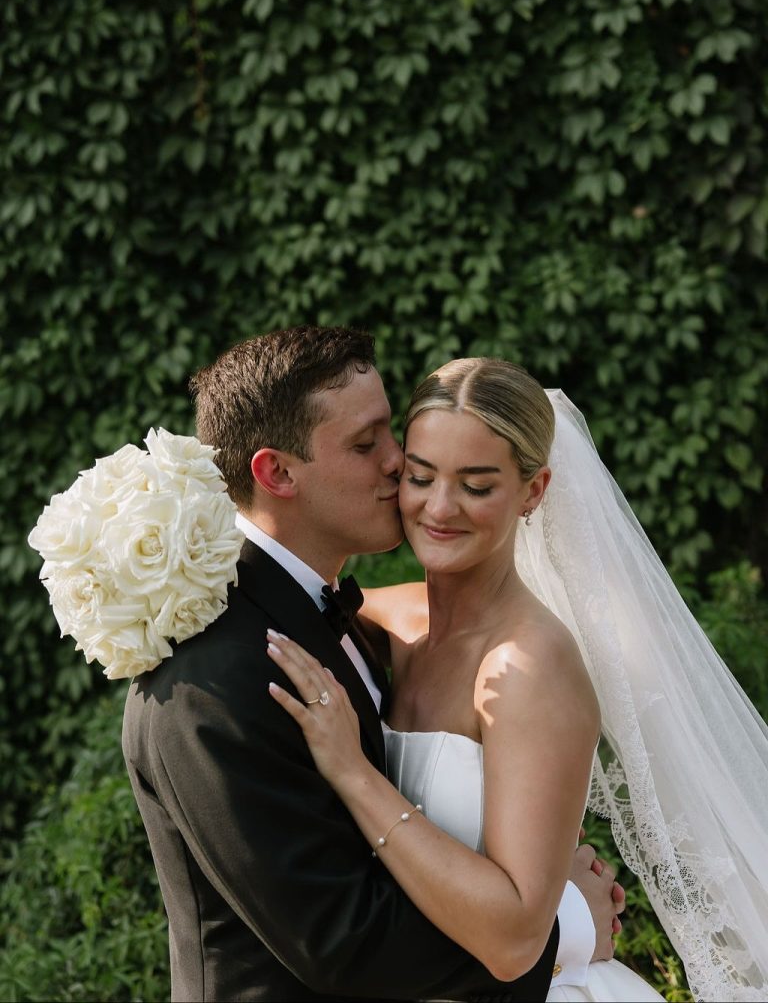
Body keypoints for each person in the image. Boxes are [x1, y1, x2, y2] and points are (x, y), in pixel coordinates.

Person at [122, 329, 620, 1002]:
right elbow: (342, 940)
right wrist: (564, 927)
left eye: (393, 436)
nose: (397, 463)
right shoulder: (217, 674)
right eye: (367, 445)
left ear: (532, 492)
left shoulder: (335, 620)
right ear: (278, 473)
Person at [268, 357, 768, 1003]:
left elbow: (515, 936)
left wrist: (353, 773)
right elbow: (290, 592)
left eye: (477, 486)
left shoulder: (529, 667)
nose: (439, 508)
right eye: (420, 477)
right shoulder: (398, 622)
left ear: (534, 491)